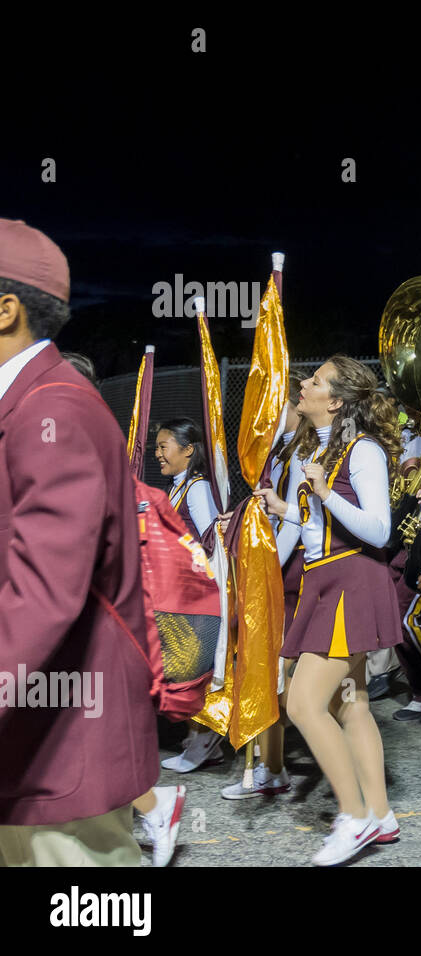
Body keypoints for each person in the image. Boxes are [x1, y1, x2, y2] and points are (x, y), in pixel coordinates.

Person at [0, 218, 158, 866]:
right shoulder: (34, 402)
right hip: (41, 727)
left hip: (62, 737)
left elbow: (42, 592)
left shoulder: (52, 410)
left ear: (5, 309)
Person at [256, 355, 404, 866]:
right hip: (324, 578)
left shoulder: (363, 451)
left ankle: (354, 816)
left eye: (314, 381)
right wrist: (286, 510)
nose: (303, 384)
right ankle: (381, 814)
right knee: (351, 702)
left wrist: (322, 493)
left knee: (302, 705)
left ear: (336, 401)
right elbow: (309, 524)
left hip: (351, 581)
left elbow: (380, 530)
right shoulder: (314, 448)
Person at [219, 377, 304, 800]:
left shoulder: (301, 453)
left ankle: (347, 781)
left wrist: (266, 561)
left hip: (295, 577)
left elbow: (296, 521)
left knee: (295, 688)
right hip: (282, 575)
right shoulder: (282, 453)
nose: (263, 422)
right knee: (273, 677)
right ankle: (274, 768)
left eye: (272, 410)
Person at [154, 417, 226, 773]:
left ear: (188, 450)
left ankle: (205, 741)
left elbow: (210, 541)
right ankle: (198, 740)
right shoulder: (176, 487)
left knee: (194, 669)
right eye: (156, 447)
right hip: (177, 594)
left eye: (163, 447)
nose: (157, 455)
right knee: (181, 667)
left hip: (196, 596)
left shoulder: (196, 488)